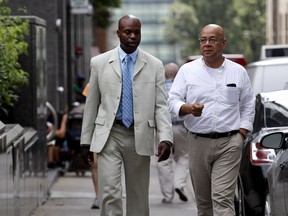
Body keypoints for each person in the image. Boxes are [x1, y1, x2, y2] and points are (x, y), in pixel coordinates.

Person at [80, 15, 173, 216]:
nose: (132, 36)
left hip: (139, 135)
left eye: (136, 32)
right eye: (127, 32)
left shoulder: (155, 65)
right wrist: (85, 141)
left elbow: (160, 106)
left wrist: (166, 137)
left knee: (138, 196)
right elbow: (92, 104)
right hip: (109, 135)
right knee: (110, 193)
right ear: (118, 33)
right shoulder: (99, 63)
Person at [168, 24, 255, 216]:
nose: (207, 44)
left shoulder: (238, 71)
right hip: (197, 141)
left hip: (229, 143)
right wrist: (188, 108)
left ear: (223, 43)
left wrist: (241, 133)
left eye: (212, 40)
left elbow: (248, 104)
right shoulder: (187, 70)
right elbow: (172, 100)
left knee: (222, 198)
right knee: (204, 203)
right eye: (203, 40)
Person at [157, 63, 189, 204]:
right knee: (183, 156)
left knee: (164, 160)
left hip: (163, 128)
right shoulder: (183, 87)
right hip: (181, 127)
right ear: (177, 74)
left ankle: (167, 195)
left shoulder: (160, 87)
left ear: (165, 74)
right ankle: (179, 184)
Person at [82, 83, 99, 209]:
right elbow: (88, 106)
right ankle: (98, 196)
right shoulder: (91, 84)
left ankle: (114, 192)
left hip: (115, 128)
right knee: (96, 164)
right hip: (97, 127)